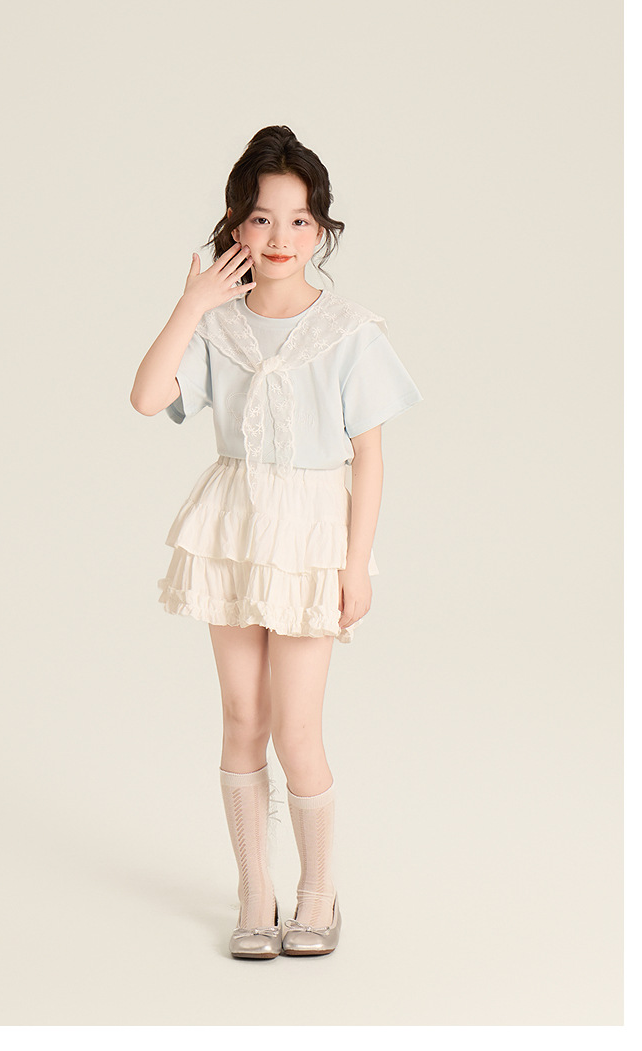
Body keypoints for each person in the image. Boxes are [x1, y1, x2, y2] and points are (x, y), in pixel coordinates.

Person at [130, 125, 423, 959]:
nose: (281, 238)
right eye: (262, 219)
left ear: (322, 228)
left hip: (310, 534)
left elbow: (369, 457)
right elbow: (147, 398)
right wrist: (191, 304)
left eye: (299, 221)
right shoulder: (217, 326)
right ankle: (254, 894)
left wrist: (356, 565)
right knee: (241, 716)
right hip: (234, 526)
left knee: (297, 728)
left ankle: (317, 895)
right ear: (236, 226)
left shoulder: (349, 330)